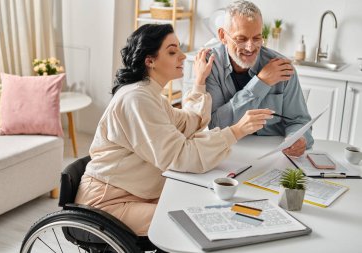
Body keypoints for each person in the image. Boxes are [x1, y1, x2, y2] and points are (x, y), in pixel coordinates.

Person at [74, 24, 273, 241]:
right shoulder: (136, 99)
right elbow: (179, 156)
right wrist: (235, 131)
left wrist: (199, 81)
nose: (182, 56)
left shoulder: (150, 96)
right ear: (150, 61)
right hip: (106, 203)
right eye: (172, 51)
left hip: (135, 192)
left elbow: (188, 122)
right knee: (193, 221)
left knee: (203, 206)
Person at [206, 0, 313, 157]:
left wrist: (298, 139)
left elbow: (300, 121)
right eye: (241, 39)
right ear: (223, 36)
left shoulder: (282, 67)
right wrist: (261, 82)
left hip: (274, 153)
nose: (250, 47)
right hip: (228, 151)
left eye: (257, 38)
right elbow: (215, 125)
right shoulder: (211, 64)